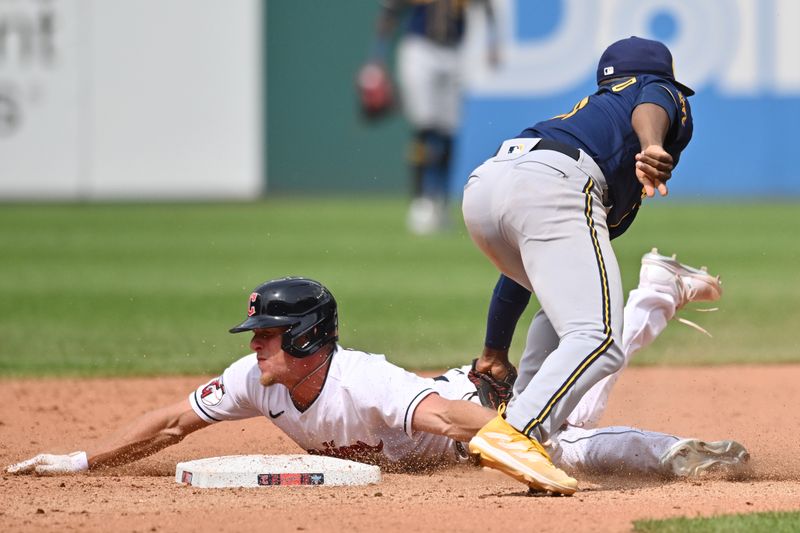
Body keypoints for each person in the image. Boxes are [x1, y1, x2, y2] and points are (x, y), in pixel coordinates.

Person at [7, 275, 747, 486]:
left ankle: (653, 290)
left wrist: (530, 461)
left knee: (564, 429)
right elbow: (172, 422)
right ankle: (646, 295)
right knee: (568, 375)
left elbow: (463, 425)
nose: (255, 344)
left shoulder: (366, 382)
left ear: (304, 338)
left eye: (266, 333)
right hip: (454, 413)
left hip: (473, 410)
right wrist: (79, 460)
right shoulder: (255, 379)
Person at [461, 36, 697, 494]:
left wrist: (494, 350)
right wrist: (651, 144)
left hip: (487, 185)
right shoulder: (656, 90)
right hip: (556, 181)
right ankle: (517, 434)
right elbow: (654, 101)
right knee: (600, 335)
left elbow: (522, 275)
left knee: (567, 311)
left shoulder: (590, 117)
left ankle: (524, 428)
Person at [361, 0, 498, 234]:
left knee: (448, 131)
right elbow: (390, 10)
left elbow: (487, 8)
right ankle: (421, 200)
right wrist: (377, 56)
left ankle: (441, 202)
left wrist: (493, 42)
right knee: (425, 127)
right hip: (420, 49)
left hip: (455, 51)